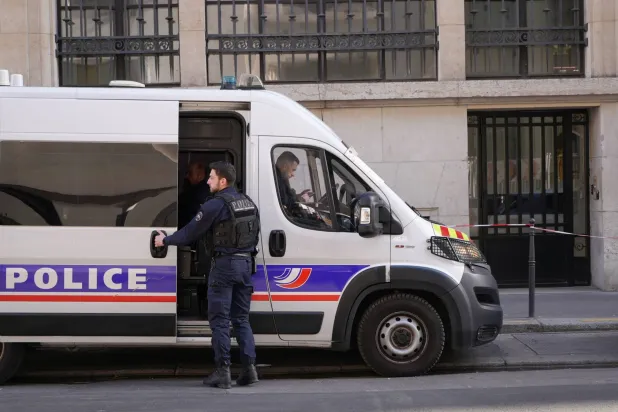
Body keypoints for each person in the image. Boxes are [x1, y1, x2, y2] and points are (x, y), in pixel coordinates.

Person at [154, 161, 260, 389]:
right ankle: (249, 370)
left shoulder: (215, 205)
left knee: (220, 321)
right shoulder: (248, 203)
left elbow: (191, 232)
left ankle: (223, 372)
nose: (208, 181)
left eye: (211, 178)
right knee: (241, 319)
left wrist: (165, 240)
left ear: (222, 181)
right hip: (245, 266)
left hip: (224, 267)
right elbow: (255, 235)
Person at [178, 161, 211, 228]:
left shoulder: (197, 194)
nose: (186, 176)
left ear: (200, 176)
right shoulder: (204, 191)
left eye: (190, 173)